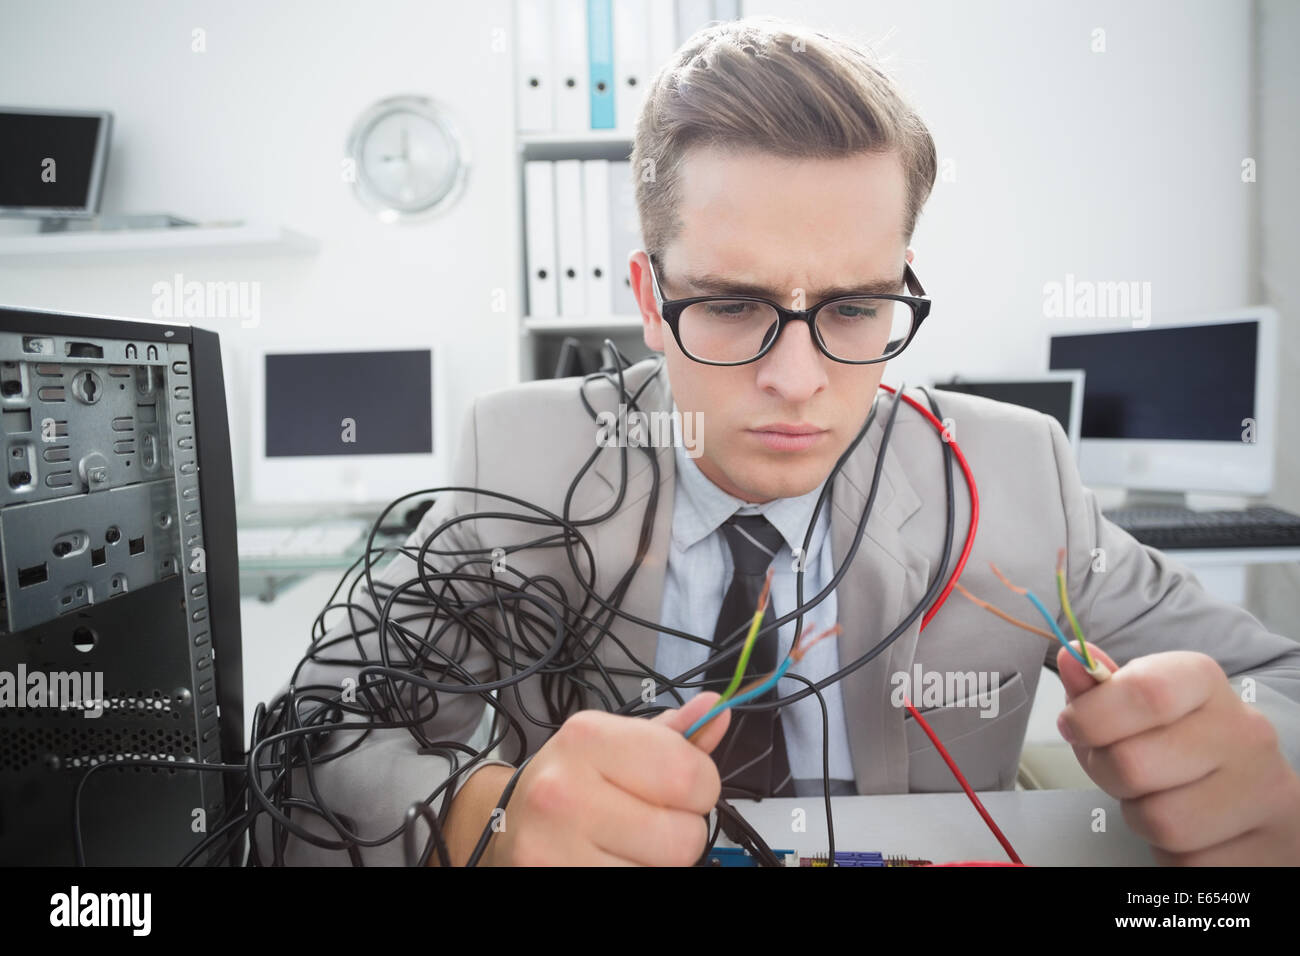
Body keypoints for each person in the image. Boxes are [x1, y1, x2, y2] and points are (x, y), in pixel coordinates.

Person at [262, 16, 1300, 866]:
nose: (796, 379)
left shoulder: (1011, 469)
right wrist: (478, 818)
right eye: (726, 305)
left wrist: (1262, 766)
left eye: (853, 310)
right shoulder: (524, 455)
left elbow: (1278, 680)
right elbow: (309, 734)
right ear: (647, 298)